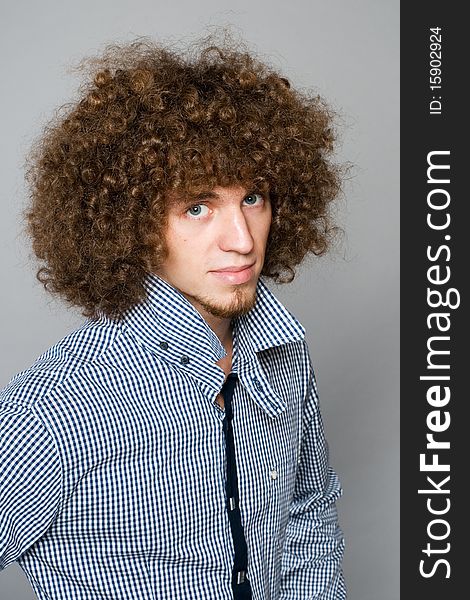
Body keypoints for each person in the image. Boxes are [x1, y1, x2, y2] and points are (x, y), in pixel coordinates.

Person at [0, 36, 347, 599]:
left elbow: (310, 508)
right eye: (197, 206)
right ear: (129, 222)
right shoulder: (60, 407)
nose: (241, 240)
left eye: (254, 197)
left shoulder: (285, 354)